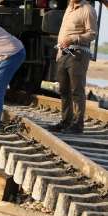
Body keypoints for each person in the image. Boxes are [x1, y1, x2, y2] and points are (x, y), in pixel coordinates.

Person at [50, 0, 97, 134]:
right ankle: (66, 122)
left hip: (78, 54)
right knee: (64, 90)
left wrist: (73, 39)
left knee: (77, 90)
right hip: (63, 54)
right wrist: (59, 53)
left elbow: (92, 33)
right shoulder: (69, 8)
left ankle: (77, 125)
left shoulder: (88, 9)